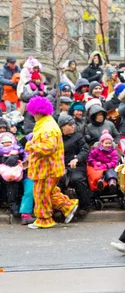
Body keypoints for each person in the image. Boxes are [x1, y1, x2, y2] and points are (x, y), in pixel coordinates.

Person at [24, 96, 79, 229]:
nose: (33, 115)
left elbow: (48, 147)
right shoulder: (46, 123)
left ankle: (44, 219)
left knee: (41, 193)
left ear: (38, 112)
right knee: (49, 191)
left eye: (33, 112)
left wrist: (30, 146)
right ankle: (68, 206)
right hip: (48, 167)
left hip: (47, 168)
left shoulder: (47, 127)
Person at [58, 115, 91, 217]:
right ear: (63, 126)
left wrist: (77, 159)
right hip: (61, 167)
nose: (73, 126)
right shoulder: (57, 138)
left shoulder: (78, 137)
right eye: (70, 125)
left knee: (78, 180)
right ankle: (59, 207)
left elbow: (85, 150)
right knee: (57, 182)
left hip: (77, 166)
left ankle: (85, 206)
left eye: (73, 124)